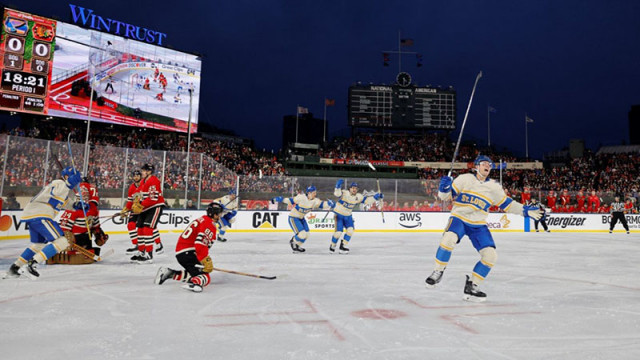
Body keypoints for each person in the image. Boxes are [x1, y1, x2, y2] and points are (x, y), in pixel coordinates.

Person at [424, 155, 543, 302]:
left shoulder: (494, 187)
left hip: (478, 223)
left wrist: (525, 210)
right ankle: (438, 272)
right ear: (476, 166)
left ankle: (473, 285)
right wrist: (444, 187)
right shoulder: (464, 179)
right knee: (448, 239)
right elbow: (444, 197)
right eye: (484, 163)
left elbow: (509, 204)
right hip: (459, 218)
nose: (488, 165)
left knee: (490, 256)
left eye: (490, 164)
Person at [2, 167, 82, 278]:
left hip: (33, 215)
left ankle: (14, 268)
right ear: (67, 177)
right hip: (40, 215)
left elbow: (69, 204)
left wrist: (79, 206)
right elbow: (62, 188)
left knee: (38, 245)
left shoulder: (62, 191)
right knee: (62, 242)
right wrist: (70, 182)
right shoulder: (59, 183)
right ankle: (31, 265)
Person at [154, 202, 223, 293]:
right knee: (205, 277)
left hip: (183, 252)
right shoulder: (209, 224)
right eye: (219, 214)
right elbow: (200, 244)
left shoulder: (203, 219)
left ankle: (169, 273)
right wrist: (205, 259)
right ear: (214, 214)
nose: (220, 216)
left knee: (194, 273)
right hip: (188, 252)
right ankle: (195, 284)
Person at [271, 185, 334, 253]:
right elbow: (290, 201)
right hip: (293, 218)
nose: (315, 194)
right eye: (313, 193)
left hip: (301, 218)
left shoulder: (315, 201)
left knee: (307, 234)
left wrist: (329, 204)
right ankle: (293, 241)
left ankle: (297, 246)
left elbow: (322, 204)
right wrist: (280, 199)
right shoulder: (301, 197)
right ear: (309, 193)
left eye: (315, 192)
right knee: (302, 235)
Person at [329, 180, 383, 253]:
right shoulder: (345, 193)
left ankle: (343, 246)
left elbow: (367, 201)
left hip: (348, 216)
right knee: (338, 233)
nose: (354, 189)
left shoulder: (359, 196)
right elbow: (337, 194)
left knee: (350, 230)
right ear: (350, 188)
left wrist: (375, 197)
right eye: (353, 188)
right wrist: (337, 187)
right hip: (339, 214)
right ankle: (333, 245)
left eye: (356, 188)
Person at [130, 164, 165, 264]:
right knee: (140, 229)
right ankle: (141, 252)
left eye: (144, 170)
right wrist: (132, 206)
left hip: (155, 207)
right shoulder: (143, 181)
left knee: (147, 229)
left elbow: (153, 199)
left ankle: (149, 255)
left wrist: (140, 204)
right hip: (145, 208)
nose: (142, 172)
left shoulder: (154, 180)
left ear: (149, 171)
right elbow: (139, 195)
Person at [121, 170, 143, 255]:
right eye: (134, 175)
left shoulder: (144, 185)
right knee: (130, 225)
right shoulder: (131, 187)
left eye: (138, 175)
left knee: (142, 228)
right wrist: (126, 209)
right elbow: (130, 201)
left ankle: (143, 246)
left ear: (140, 176)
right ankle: (136, 245)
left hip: (143, 209)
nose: (136, 177)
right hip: (135, 209)